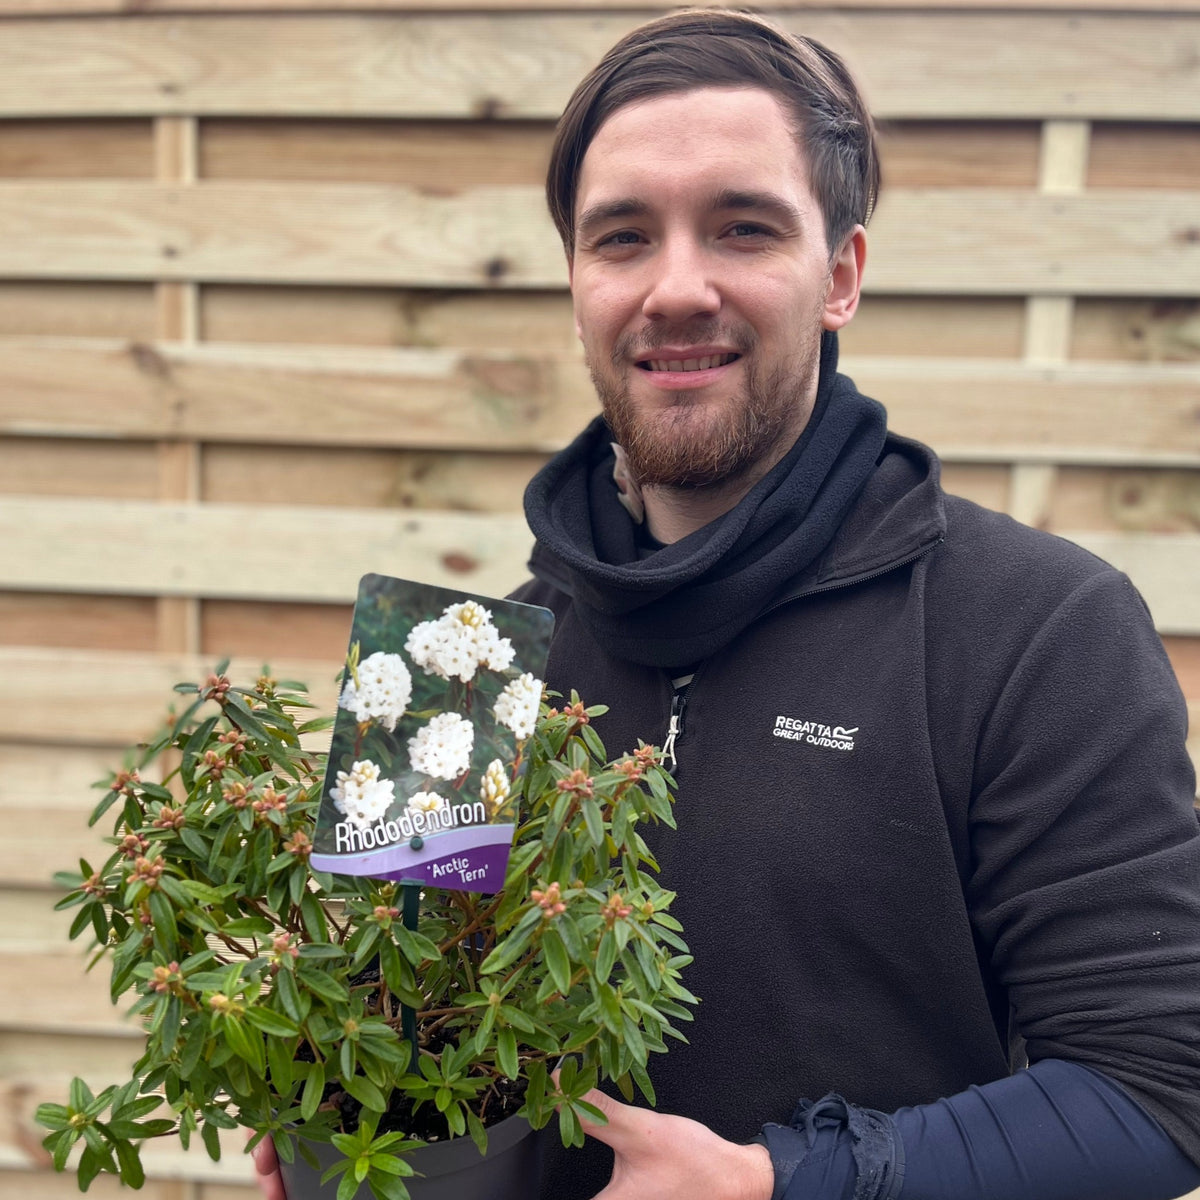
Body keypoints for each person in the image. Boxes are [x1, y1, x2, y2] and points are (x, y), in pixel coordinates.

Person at [256, 10, 1200, 1199]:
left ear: (841, 273)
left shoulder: (1038, 629)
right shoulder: (457, 662)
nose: (678, 288)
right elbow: (385, 1029)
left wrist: (780, 1182)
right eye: (623, 237)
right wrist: (340, 1126)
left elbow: (1157, 1091)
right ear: (577, 281)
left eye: (743, 229)